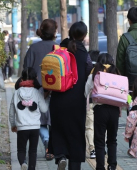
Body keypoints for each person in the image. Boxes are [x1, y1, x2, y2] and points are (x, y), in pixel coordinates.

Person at [49, 21, 93, 170]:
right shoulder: (83, 54)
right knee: (76, 134)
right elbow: (89, 74)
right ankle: (74, 166)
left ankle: (60, 155)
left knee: (58, 130)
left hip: (57, 100)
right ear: (84, 36)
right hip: (76, 101)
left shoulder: (59, 48)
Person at [23, 19, 57, 160]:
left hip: (37, 91)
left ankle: (47, 141)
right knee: (54, 121)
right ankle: (54, 148)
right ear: (54, 32)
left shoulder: (33, 48)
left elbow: (26, 71)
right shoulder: (58, 48)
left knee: (39, 121)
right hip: (56, 91)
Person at [9, 67, 50, 170]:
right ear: (35, 78)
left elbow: (11, 112)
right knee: (33, 151)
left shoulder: (16, 93)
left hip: (22, 127)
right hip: (35, 127)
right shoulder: (37, 93)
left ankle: (23, 163)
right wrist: (48, 99)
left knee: (21, 150)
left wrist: (13, 125)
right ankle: (31, 168)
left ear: (22, 79)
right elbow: (44, 109)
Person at [85, 53, 119, 170]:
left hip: (100, 110)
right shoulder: (116, 74)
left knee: (99, 141)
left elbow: (86, 93)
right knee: (112, 139)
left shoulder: (94, 75)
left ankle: (100, 167)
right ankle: (112, 165)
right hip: (114, 110)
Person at [85, 50, 100, 159]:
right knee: (100, 127)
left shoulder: (88, 72)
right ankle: (101, 148)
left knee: (89, 127)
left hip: (89, 103)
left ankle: (92, 149)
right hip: (101, 104)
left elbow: (86, 92)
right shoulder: (102, 72)